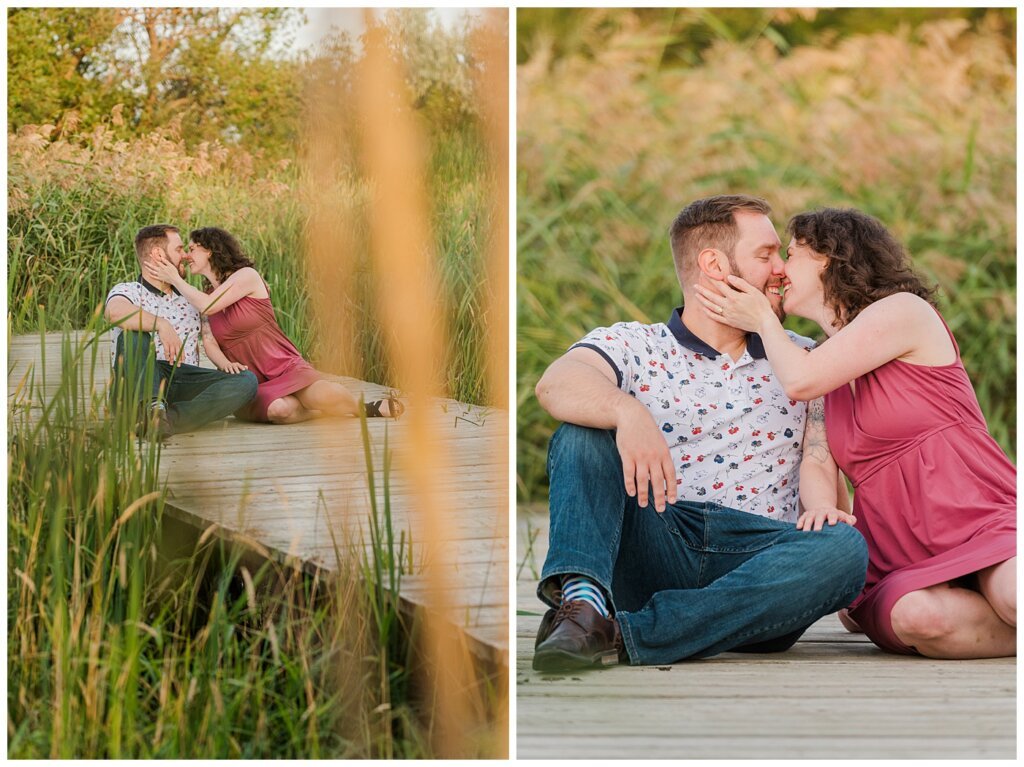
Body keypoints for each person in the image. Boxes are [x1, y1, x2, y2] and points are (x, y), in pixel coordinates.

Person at [531, 195, 868, 671]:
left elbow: (824, 473)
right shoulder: (634, 343)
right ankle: (585, 606)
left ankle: (620, 634)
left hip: (757, 563)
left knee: (844, 548)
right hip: (659, 537)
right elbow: (556, 383)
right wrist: (628, 412)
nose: (782, 270)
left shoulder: (804, 359)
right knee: (582, 434)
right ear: (713, 263)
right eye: (766, 255)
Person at [695, 207, 1016, 659]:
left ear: (826, 257)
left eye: (791, 254)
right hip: (899, 547)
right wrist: (824, 513)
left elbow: (800, 380)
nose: (781, 269)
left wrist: (763, 321)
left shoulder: (903, 312)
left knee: (1013, 597)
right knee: (919, 619)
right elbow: (819, 457)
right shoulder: (822, 364)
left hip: (974, 512)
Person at [143, 226, 403, 424]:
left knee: (324, 395)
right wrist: (225, 365)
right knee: (280, 410)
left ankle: (362, 408)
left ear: (209, 250)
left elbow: (210, 305)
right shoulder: (203, 292)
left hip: (282, 363)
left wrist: (175, 279)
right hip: (249, 378)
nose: (187, 256)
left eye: (192, 248)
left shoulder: (246, 277)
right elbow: (209, 340)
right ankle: (322, 416)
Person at [105, 224, 258, 438]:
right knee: (133, 333)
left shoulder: (191, 298)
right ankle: (151, 408)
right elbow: (115, 312)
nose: (185, 256)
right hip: (137, 380)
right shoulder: (128, 290)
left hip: (179, 379)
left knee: (247, 381)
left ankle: (165, 420)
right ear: (158, 254)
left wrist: (226, 364)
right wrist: (161, 325)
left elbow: (209, 338)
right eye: (179, 250)